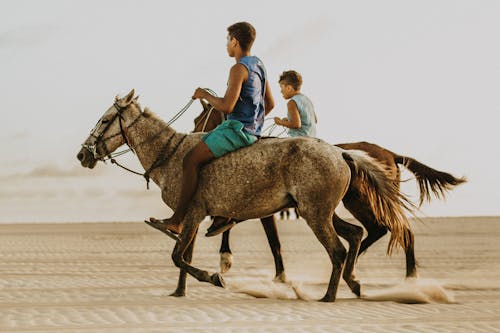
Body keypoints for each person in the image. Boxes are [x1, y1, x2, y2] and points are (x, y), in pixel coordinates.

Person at [148, 22, 275, 241]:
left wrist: (204, 95)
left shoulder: (238, 69)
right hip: (253, 130)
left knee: (190, 160)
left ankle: (177, 221)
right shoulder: (259, 65)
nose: (227, 44)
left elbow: (227, 106)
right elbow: (270, 103)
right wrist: (255, 123)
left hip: (237, 130)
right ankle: (218, 213)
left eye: (228, 40)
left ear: (235, 41)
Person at [273, 70, 317, 137]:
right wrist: (288, 121)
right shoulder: (307, 100)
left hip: (299, 138)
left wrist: (280, 122)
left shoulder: (292, 102)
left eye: (281, 87)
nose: (281, 91)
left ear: (289, 88)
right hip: (312, 137)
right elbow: (315, 120)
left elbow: (296, 124)